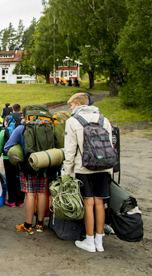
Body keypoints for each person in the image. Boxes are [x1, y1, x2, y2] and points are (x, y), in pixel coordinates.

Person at [63, 93, 113, 252]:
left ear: (78, 104)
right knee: (100, 203)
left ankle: (89, 241)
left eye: (71, 105)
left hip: (83, 167)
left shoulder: (73, 121)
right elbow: (110, 145)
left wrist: (67, 172)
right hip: (104, 166)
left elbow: (70, 150)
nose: (70, 108)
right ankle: (99, 240)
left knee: (88, 202)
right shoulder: (103, 119)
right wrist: (110, 169)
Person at [4, 105, 47, 234]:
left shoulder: (21, 129)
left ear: (23, 116)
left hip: (28, 166)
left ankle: (28, 225)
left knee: (30, 194)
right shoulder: (46, 127)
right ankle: (40, 224)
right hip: (44, 164)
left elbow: (7, 148)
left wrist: (19, 156)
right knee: (42, 193)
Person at [0, 116, 25, 207]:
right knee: (20, 179)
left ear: (6, 123)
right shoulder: (21, 130)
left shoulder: (4, 132)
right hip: (20, 159)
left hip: (8, 159)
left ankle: (11, 200)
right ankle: (20, 201)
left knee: (11, 180)